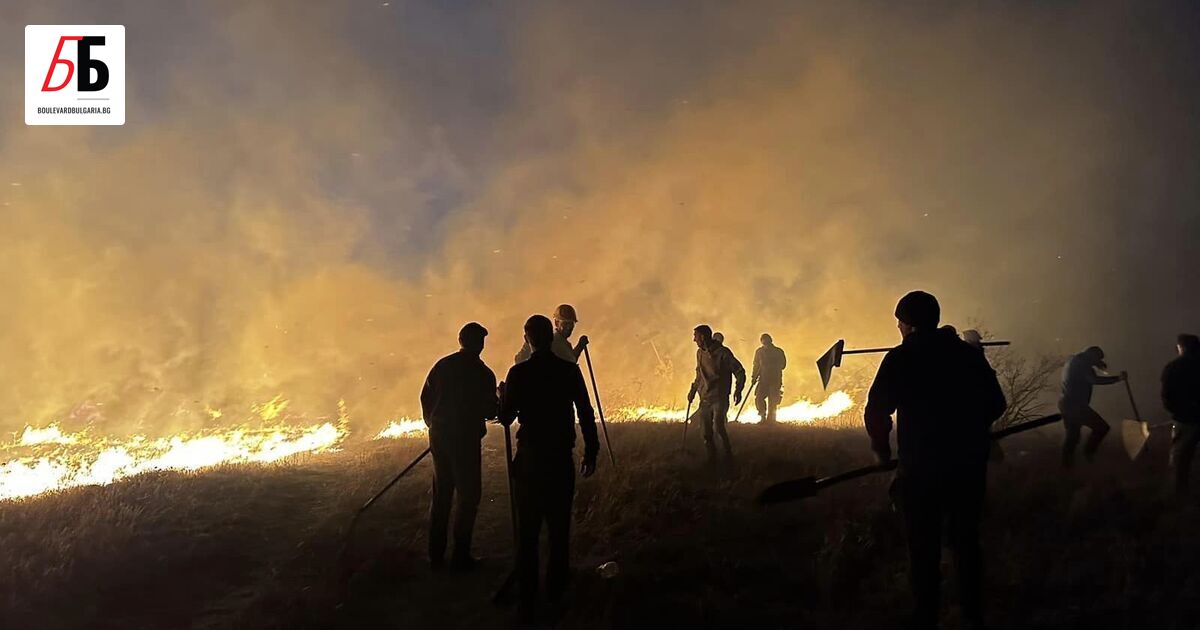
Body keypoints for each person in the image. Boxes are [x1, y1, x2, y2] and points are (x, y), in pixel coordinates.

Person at [864, 291, 1007, 630]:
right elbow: (996, 403)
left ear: (908, 324)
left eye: (899, 322)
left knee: (922, 548)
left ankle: (925, 617)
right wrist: (973, 429)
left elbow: (877, 411)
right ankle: (972, 615)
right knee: (966, 543)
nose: (898, 328)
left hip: (919, 470)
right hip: (967, 468)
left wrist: (882, 452)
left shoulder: (901, 357)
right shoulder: (968, 357)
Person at [499, 315, 599, 623]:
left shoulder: (519, 373)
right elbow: (585, 411)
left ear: (528, 338)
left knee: (527, 533)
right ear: (550, 336)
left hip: (529, 462)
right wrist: (591, 450)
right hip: (559, 460)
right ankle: (556, 592)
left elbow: (504, 417)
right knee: (559, 530)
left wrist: (503, 397)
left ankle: (528, 600)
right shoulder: (568, 371)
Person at [420, 322, 498, 571]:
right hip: (465, 440)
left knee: (442, 493)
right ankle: (461, 557)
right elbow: (489, 410)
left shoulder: (442, 365)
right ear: (480, 343)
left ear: (460, 340)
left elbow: (426, 398)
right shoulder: (483, 373)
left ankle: (435, 556)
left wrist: (433, 424)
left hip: (440, 437)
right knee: (468, 496)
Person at [687, 325, 746, 467]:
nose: (694, 339)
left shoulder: (723, 353)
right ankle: (711, 459)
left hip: (719, 397)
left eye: (696, 336)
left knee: (719, 427)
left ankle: (728, 456)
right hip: (705, 398)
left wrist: (738, 390)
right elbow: (699, 374)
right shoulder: (699, 353)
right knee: (706, 432)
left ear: (702, 337)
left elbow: (739, 371)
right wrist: (693, 390)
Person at [1059, 346, 1126, 467]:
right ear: (1091, 356)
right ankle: (1087, 454)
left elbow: (1092, 369)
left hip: (1067, 403)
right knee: (1101, 427)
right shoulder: (1082, 364)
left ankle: (1067, 468)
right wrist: (1118, 378)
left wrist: (1099, 365)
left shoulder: (1074, 360)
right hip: (1075, 405)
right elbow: (1093, 379)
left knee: (1072, 436)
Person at [1162, 333, 1200, 494]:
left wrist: (1176, 412)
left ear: (1181, 347)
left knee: (1180, 459)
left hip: (1185, 420)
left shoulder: (1174, 367)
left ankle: (1179, 494)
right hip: (1190, 417)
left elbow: (1167, 395)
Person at [514, 304, 588, 364]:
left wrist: (580, 346)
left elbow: (570, 361)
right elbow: (519, 359)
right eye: (565, 323)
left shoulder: (564, 345)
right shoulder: (550, 342)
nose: (569, 327)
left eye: (571, 324)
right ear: (556, 323)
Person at [752, 333, 787, 424]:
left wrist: (771, 365)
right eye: (763, 340)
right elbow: (756, 365)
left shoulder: (778, 351)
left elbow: (783, 365)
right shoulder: (759, 352)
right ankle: (763, 417)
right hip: (763, 380)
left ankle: (771, 420)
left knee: (773, 400)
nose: (765, 342)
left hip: (775, 380)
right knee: (759, 398)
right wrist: (754, 377)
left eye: (766, 340)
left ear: (770, 340)